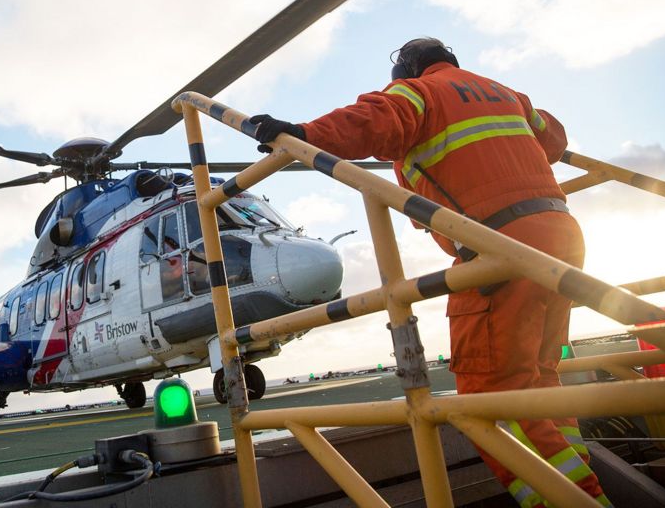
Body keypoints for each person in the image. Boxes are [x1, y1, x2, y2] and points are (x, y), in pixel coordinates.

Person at [251, 38, 610, 508]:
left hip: (500, 250)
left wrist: (299, 132)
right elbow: (555, 140)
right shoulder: (505, 93)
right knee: (540, 378)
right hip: (561, 240)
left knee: (490, 399)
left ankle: (573, 499)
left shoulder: (419, 93)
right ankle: (582, 478)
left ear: (409, 69)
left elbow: (373, 119)